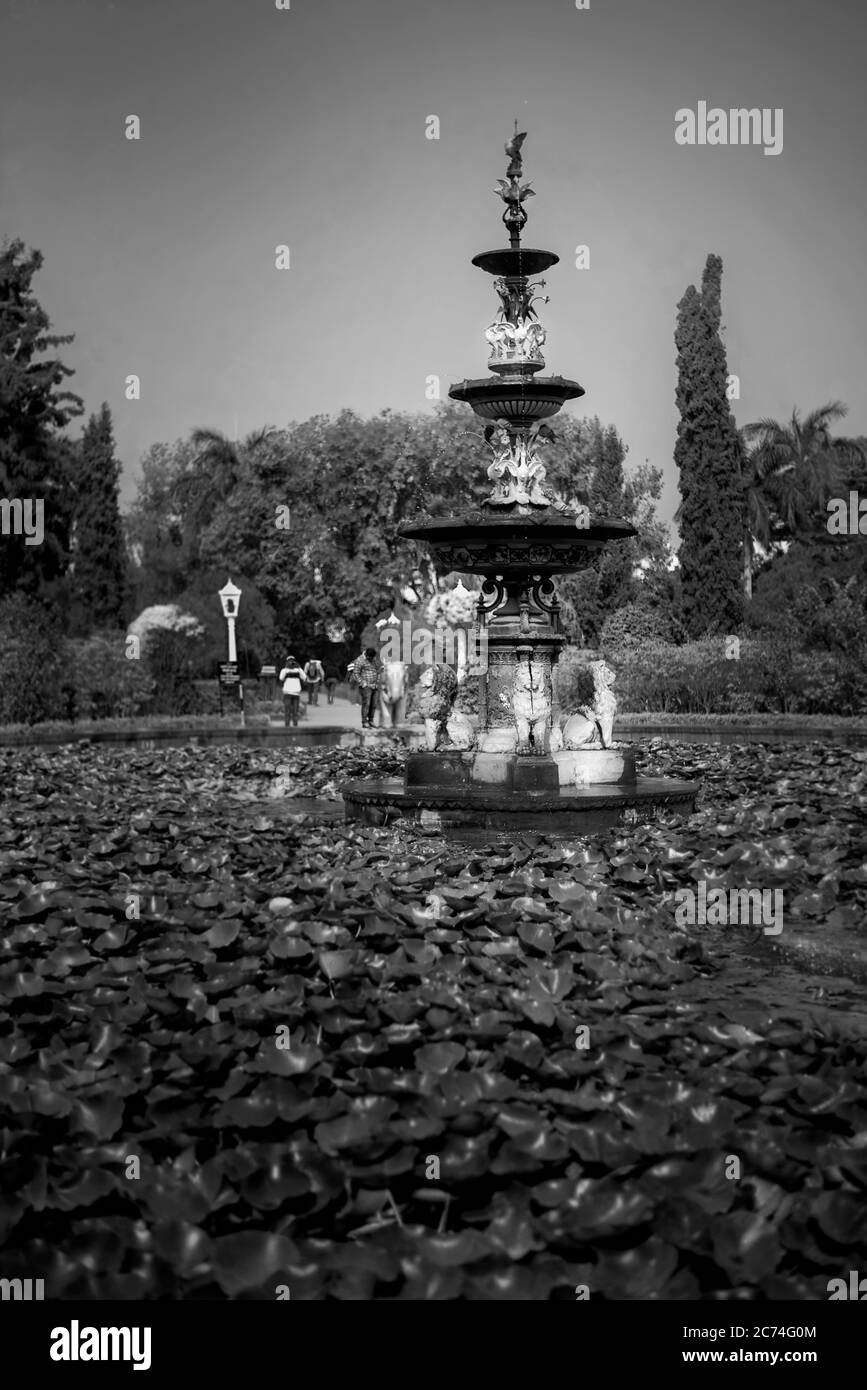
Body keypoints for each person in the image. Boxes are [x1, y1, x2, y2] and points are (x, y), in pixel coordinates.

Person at [352, 646, 380, 728]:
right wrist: (362, 682)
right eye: (370, 658)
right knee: (366, 704)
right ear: (367, 655)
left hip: (374, 685)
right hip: (366, 686)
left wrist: (378, 679)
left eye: (373, 657)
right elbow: (355, 673)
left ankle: (371, 720)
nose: (372, 659)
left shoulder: (374, 659)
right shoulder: (359, 660)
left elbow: (376, 670)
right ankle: (364, 722)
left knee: (374, 704)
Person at [379, 658, 407, 728]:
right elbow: (382, 681)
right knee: (386, 708)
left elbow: (405, 681)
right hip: (386, 691)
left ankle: (399, 722)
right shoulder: (384, 671)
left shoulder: (403, 672)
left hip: (400, 691)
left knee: (400, 708)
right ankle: (386, 722)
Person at [279, 655, 305, 726]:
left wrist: (299, 668)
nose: (291, 662)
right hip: (290, 693)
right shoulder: (285, 670)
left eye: (292, 661)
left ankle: (293, 726)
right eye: (289, 661)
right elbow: (281, 678)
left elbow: (304, 677)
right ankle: (288, 726)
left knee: (294, 711)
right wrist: (287, 668)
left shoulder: (298, 670)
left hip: (292, 693)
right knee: (290, 711)